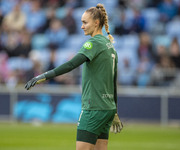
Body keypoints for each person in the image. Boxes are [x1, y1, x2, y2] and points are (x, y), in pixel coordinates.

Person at [25, 3, 123, 150]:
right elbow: (113, 81)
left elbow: (71, 65)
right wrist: (114, 111)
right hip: (108, 108)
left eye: (85, 22)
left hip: (93, 108)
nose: (82, 26)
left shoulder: (94, 43)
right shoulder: (110, 47)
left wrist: (43, 76)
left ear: (96, 23)